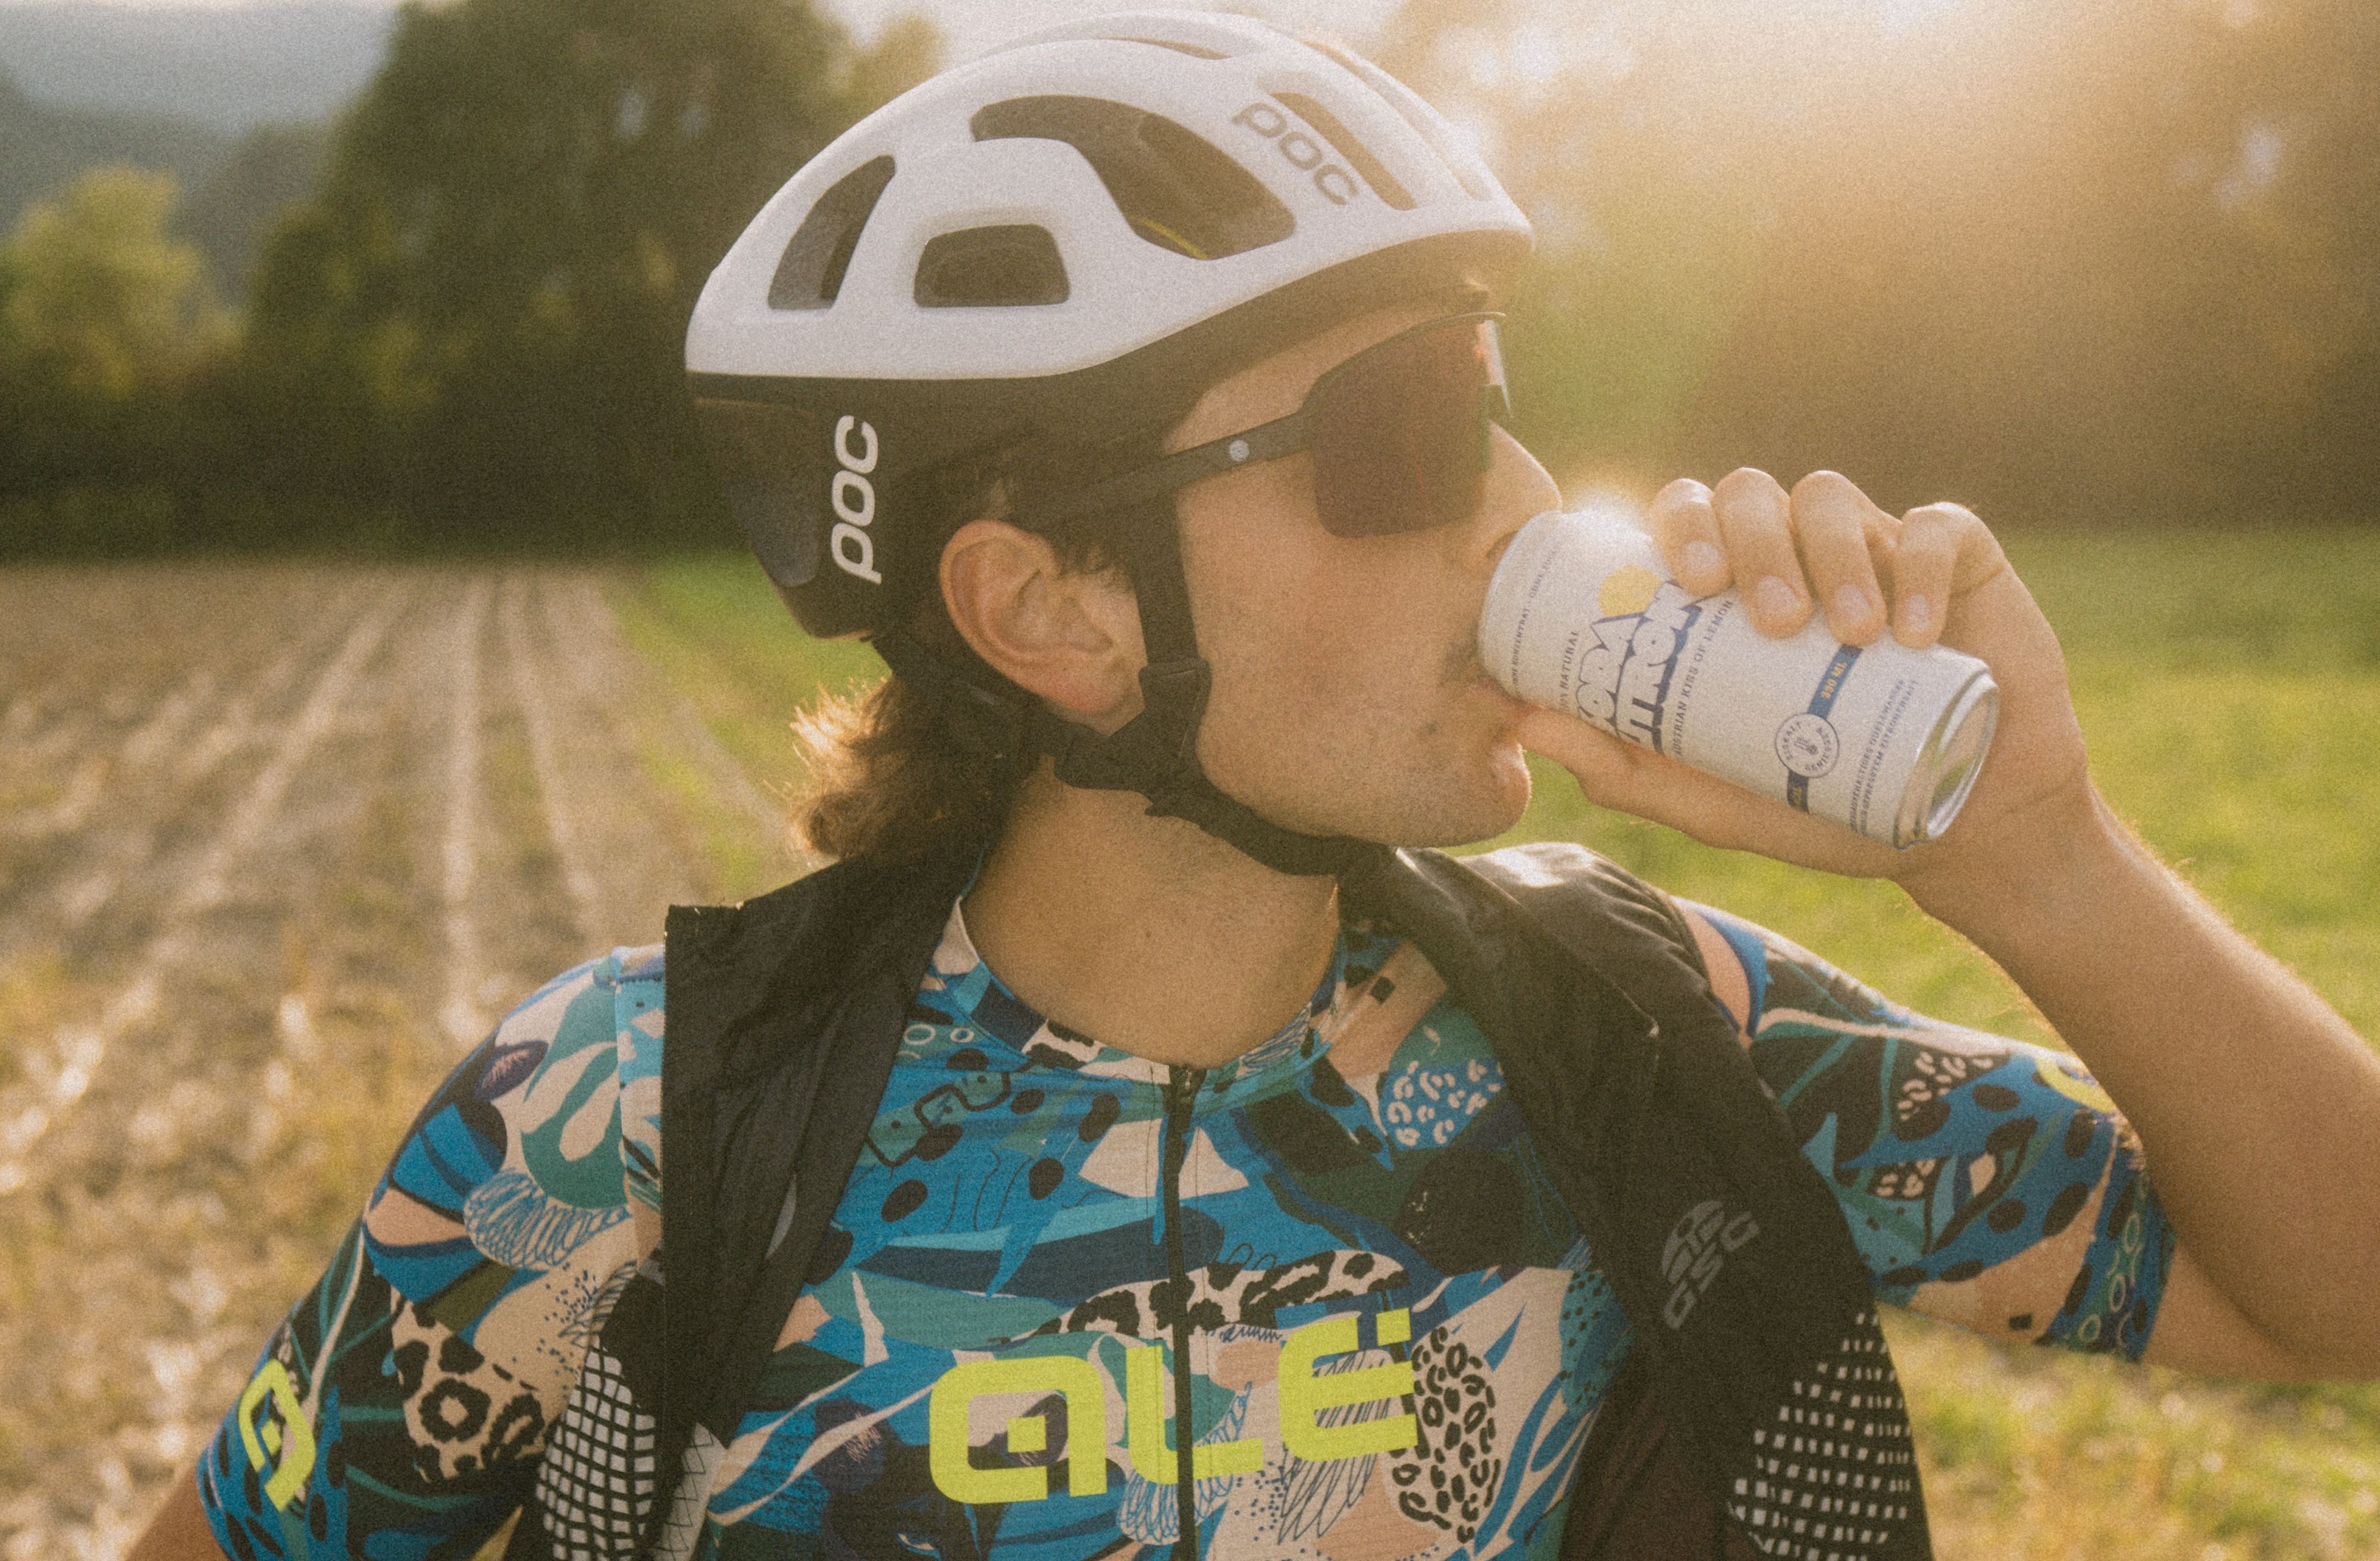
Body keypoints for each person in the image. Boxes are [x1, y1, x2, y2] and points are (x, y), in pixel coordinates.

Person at [136, 13, 2380, 1561]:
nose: (1515, 499)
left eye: (1501, 402)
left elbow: (2334, 1301)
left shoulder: (1643, 1029)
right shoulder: (626, 1120)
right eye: (1396, 436)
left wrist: (2046, 863)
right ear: (1054, 611)